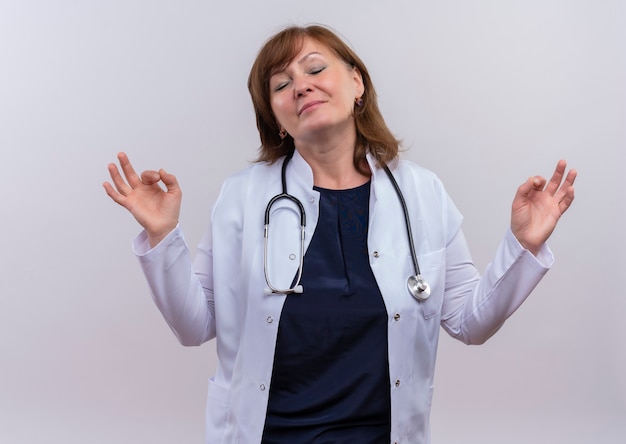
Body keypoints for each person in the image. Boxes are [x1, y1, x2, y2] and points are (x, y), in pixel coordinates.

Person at [103, 25, 576, 444]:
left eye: (314, 69)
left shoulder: (421, 192)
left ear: (356, 84)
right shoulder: (243, 198)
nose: (300, 86)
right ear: (278, 120)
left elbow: (470, 322)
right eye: (281, 85)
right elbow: (195, 326)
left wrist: (524, 246)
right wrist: (163, 236)